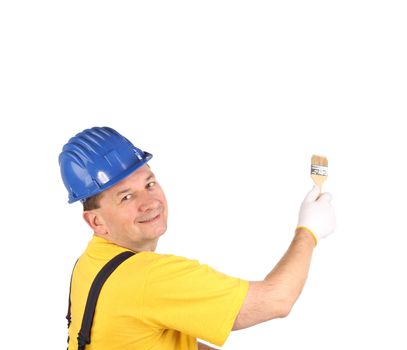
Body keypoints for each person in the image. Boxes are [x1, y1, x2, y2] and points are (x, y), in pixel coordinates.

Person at [59, 126, 336, 350]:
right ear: (96, 221)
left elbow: (155, 336)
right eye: (127, 197)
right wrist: (308, 230)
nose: (150, 202)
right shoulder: (151, 278)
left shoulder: (91, 263)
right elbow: (277, 300)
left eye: (149, 184)